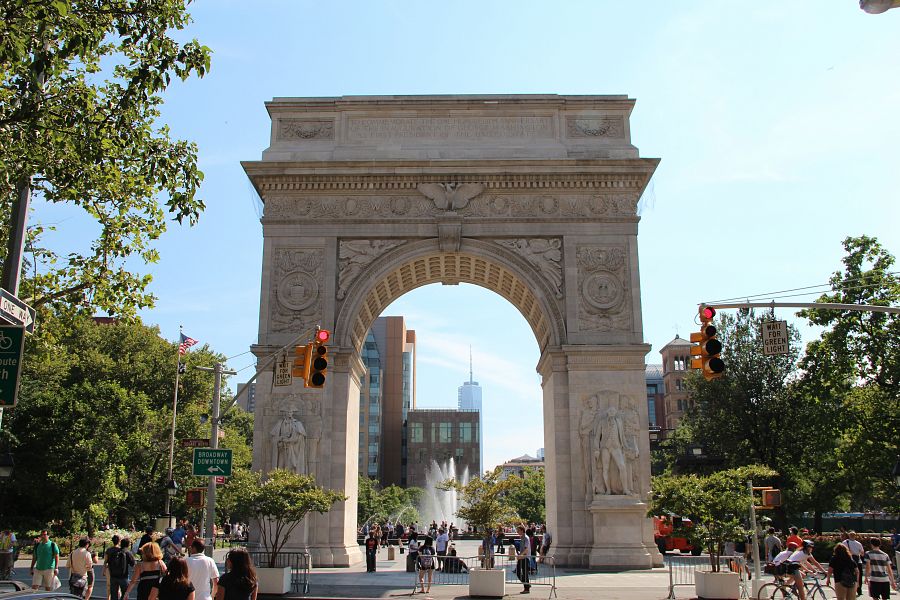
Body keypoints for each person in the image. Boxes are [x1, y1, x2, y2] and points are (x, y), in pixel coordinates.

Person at [844, 531, 866, 596]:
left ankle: (849, 589)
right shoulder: (858, 544)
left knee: (848, 575)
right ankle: (859, 590)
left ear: (849, 536)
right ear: (855, 536)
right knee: (859, 576)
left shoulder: (845, 542)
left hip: (848, 562)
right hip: (858, 561)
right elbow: (862, 554)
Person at [516, 525, 532, 594]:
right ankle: (527, 585)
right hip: (521, 557)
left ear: (522, 530)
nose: (517, 532)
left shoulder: (526, 538)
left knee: (525, 573)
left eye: (518, 530)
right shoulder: (522, 537)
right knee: (518, 572)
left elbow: (526, 549)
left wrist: (520, 555)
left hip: (525, 558)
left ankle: (527, 588)